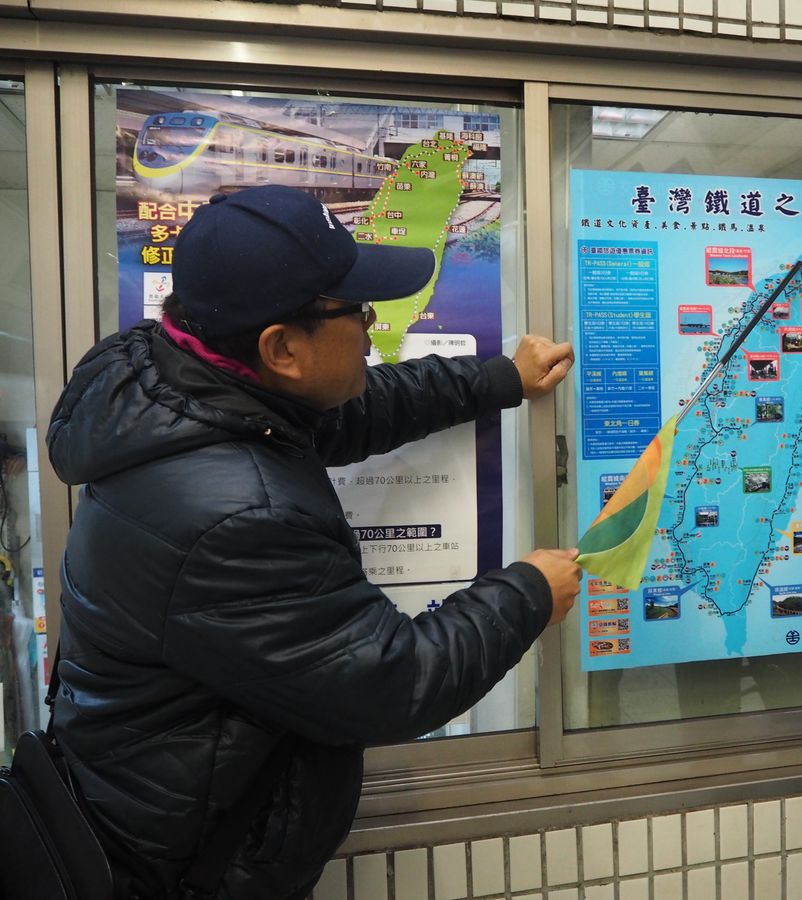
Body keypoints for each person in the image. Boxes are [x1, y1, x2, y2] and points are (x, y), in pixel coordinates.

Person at [45, 184, 581, 899]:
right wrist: (530, 593)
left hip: (146, 802)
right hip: (181, 867)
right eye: (358, 312)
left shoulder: (172, 385)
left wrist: (497, 379)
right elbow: (391, 681)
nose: (370, 328)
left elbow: (348, 410)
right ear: (282, 347)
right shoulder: (232, 518)